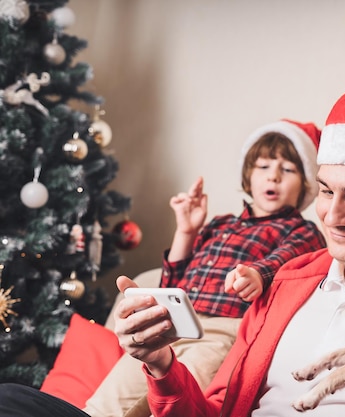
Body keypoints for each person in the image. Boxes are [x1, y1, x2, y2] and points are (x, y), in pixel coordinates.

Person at [0, 75, 345, 417]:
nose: (332, 216)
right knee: (14, 401)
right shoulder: (288, 284)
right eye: (324, 191)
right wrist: (162, 365)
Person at [82, 119, 327, 417]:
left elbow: (283, 263)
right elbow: (174, 279)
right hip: (173, 322)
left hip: (223, 330)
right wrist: (186, 231)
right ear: (248, 175)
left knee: (179, 399)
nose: (273, 177)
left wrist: (255, 275)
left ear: (306, 185)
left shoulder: (302, 230)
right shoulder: (220, 224)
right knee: (104, 405)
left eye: (287, 170)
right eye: (263, 167)